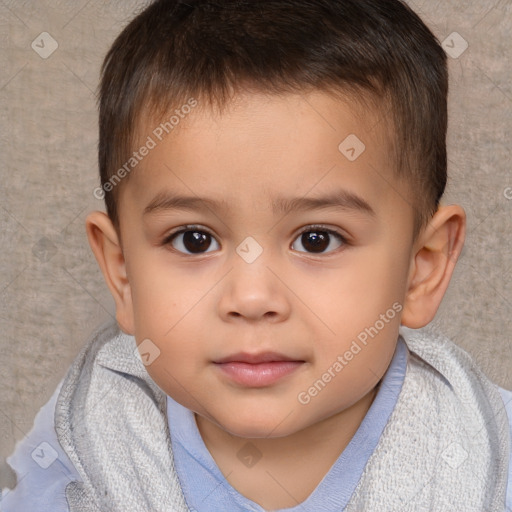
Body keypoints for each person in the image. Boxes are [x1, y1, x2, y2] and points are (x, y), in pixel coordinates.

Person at [2, 0, 511, 510]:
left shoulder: (484, 459)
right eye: (193, 239)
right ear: (123, 273)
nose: (251, 298)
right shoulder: (81, 451)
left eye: (317, 239)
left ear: (421, 269)